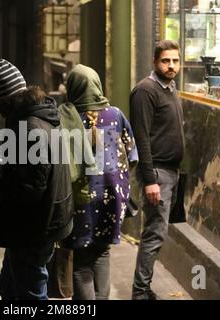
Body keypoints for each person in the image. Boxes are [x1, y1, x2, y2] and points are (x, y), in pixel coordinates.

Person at [0, 59, 73, 300]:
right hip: (40, 222)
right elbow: (37, 168)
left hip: (34, 228)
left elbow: (30, 189)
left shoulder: (27, 127)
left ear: (2, 100)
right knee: (10, 287)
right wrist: (4, 165)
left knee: (29, 294)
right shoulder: (40, 115)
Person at [60, 64, 138, 300]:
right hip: (111, 201)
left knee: (82, 262)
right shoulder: (115, 115)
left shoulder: (65, 119)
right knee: (102, 254)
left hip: (80, 202)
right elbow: (132, 155)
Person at [129, 40, 185, 300]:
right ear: (155, 62)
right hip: (158, 174)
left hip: (171, 172)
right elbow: (141, 138)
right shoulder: (145, 91)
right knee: (154, 233)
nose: (171, 65)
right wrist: (150, 180)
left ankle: (143, 288)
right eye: (166, 60)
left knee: (156, 232)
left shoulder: (171, 88)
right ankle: (140, 292)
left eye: (175, 60)